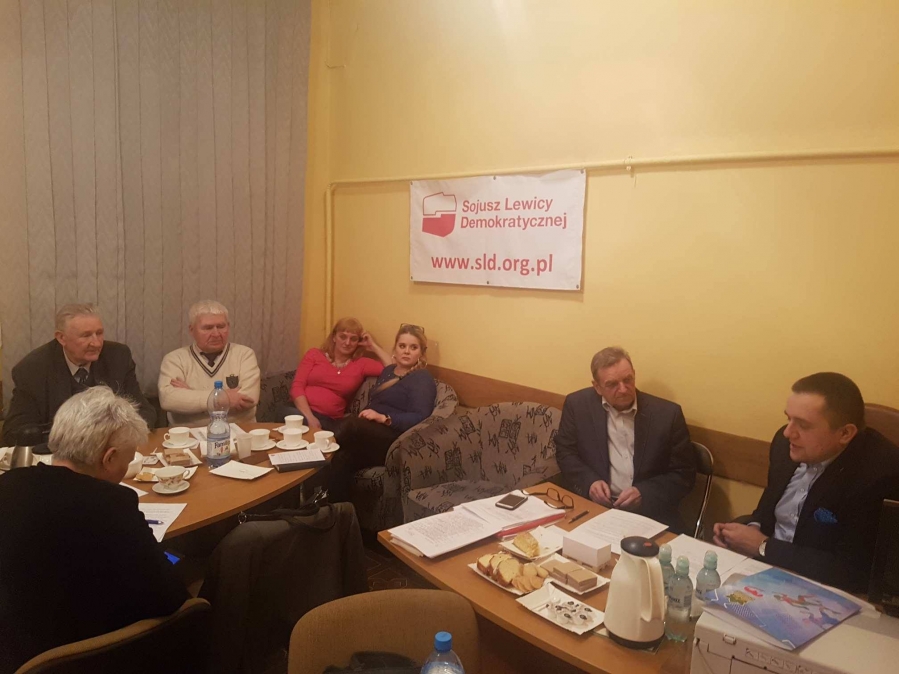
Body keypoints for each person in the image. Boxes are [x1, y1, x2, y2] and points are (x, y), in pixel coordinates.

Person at [0, 387, 187, 673]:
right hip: (90, 658)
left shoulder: (8, 486)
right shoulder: (112, 504)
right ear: (109, 458)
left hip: (14, 655)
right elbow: (170, 598)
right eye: (128, 459)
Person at [713, 372, 899, 592]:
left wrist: (763, 546)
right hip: (762, 572)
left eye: (803, 425)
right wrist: (745, 531)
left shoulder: (879, 474)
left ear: (845, 433)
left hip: (823, 589)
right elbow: (766, 511)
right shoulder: (785, 445)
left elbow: (853, 570)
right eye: (788, 419)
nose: (788, 432)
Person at [555, 347, 696, 530]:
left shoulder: (667, 415)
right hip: (594, 509)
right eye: (612, 384)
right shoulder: (577, 405)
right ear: (597, 387)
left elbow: (684, 474)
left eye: (627, 380)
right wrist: (589, 482)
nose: (623, 389)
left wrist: (644, 493)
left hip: (649, 514)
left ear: (634, 374)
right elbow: (565, 453)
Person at [2, 303, 156, 445]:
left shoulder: (118, 357)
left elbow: (144, 411)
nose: (96, 343)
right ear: (61, 338)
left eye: (99, 333)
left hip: (111, 450)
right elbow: (16, 431)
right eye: (86, 335)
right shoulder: (33, 369)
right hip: (59, 455)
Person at [328, 324, 436, 503]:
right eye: (402, 346)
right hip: (372, 434)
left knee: (351, 424)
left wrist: (384, 418)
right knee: (341, 458)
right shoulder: (388, 371)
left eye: (413, 347)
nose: (406, 351)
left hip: (395, 439)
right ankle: (336, 511)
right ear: (395, 349)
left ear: (421, 353)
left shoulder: (422, 378)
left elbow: (421, 417)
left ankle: (313, 450)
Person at [158, 300, 261, 425]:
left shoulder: (244, 354)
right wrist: (225, 398)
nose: (216, 334)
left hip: (240, 431)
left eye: (221, 326)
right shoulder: (174, 359)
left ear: (228, 326)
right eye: (207, 328)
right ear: (192, 330)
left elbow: (250, 398)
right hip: (188, 434)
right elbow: (168, 400)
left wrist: (191, 395)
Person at [283, 317, 391, 432]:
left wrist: (373, 346)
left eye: (353, 339)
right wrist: (310, 418)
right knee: (291, 417)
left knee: (343, 429)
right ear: (334, 337)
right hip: (299, 411)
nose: (347, 343)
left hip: (329, 420)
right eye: (343, 337)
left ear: (358, 342)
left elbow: (393, 369)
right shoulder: (314, 354)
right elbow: (296, 388)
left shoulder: (361, 364)